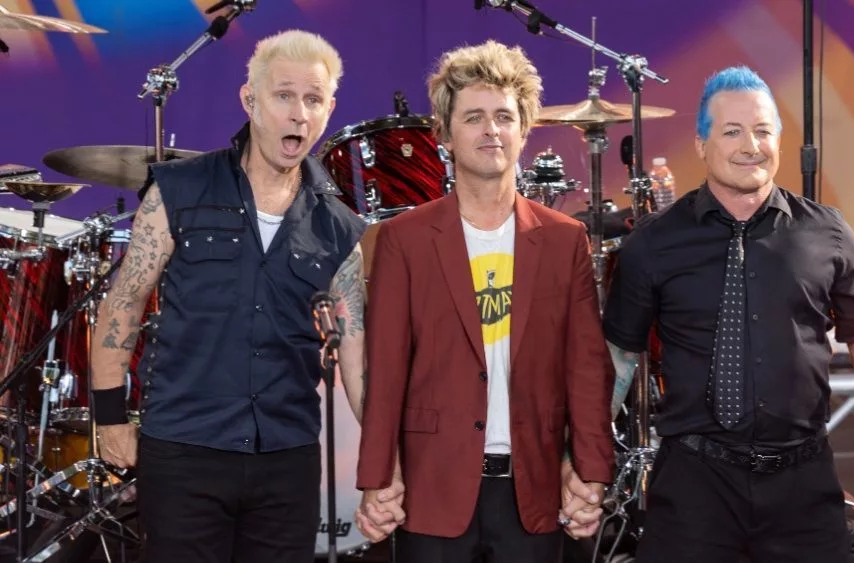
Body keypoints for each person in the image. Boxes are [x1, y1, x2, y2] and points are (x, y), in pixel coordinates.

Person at [602, 66, 854, 562]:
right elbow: (620, 361)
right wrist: (582, 465)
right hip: (694, 487)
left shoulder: (829, 233)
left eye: (762, 130)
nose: (749, 145)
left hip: (803, 486)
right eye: (731, 131)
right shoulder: (653, 242)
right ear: (701, 143)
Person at [89, 30, 368, 563]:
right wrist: (109, 417)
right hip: (184, 449)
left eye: (313, 100)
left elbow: (355, 356)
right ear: (250, 100)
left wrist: (384, 460)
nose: (298, 114)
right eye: (283, 95)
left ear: (329, 109)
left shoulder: (339, 228)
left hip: (286, 460)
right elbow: (123, 304)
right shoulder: (179, 189)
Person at [353, 40, 615, 562]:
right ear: (445, 135)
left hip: (533, 490)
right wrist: (378, 478)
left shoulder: (565, 240)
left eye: (503, 116)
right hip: (432, 490)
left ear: (523, 130)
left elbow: (586, 369)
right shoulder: (405, 239)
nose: (490, 129)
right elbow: (385, 371)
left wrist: (589, 472)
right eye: (473, 117)